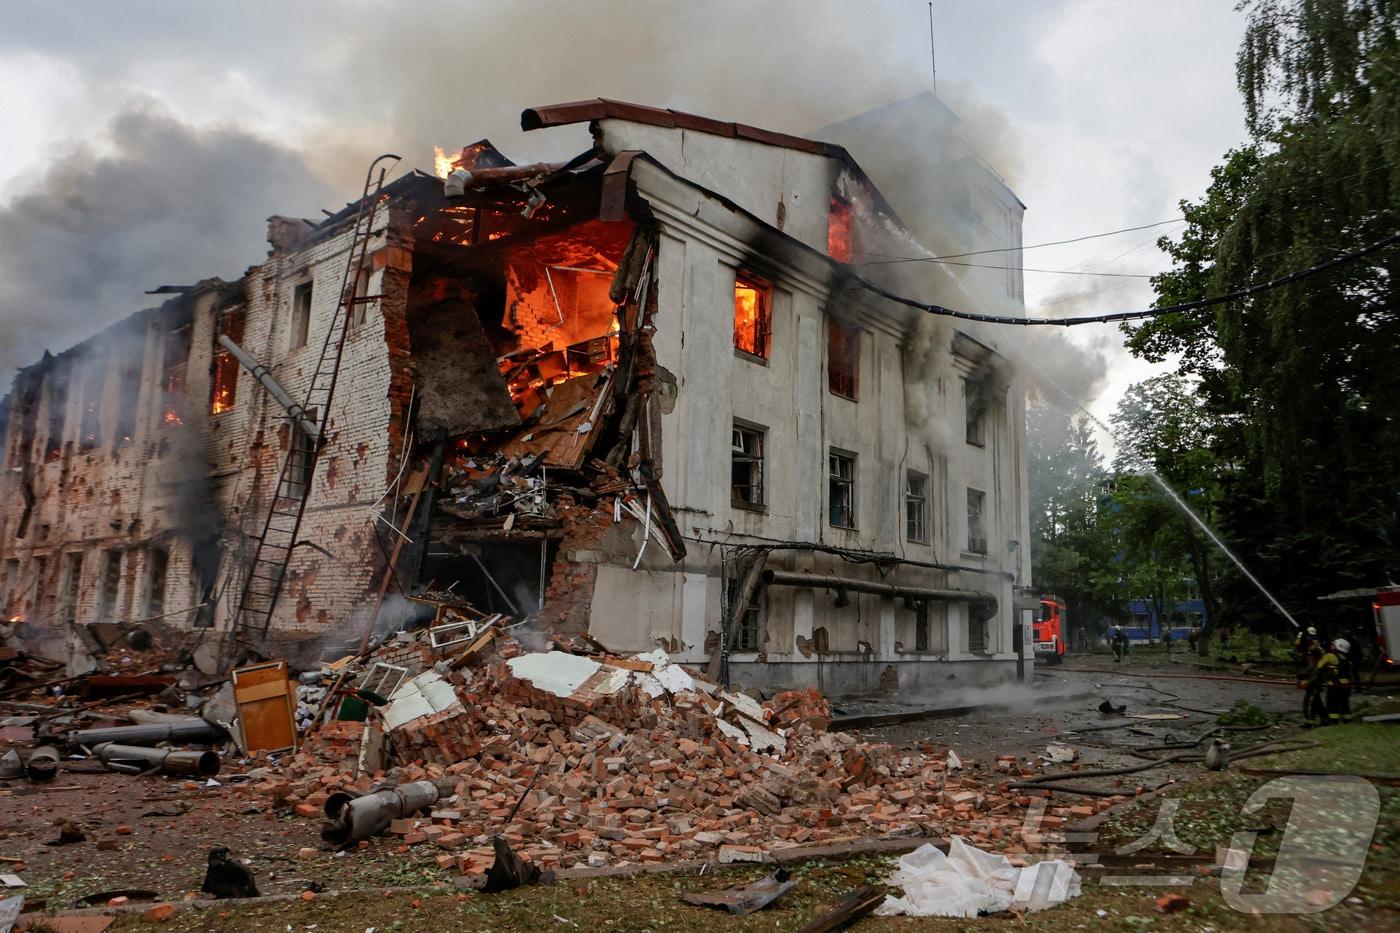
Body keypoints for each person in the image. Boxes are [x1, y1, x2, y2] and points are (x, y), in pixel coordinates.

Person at [1304, 642, 1339, 725]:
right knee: (1317, 701)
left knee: (1310, 701)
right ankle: (1324, 719)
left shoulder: (1323, 658)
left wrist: (1307, 679)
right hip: (1318, 682)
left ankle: (1311, 721)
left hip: (1316, 682)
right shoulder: (1323, 657)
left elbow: (1317, 670)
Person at [1328, 638, 1353, 720]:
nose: (1331, 647)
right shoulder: (1347, 660)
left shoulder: (1332, 657)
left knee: (1332, 703)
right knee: (1345, 704)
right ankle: (1347, 719)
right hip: (1346, 686)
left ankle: (1334, 720)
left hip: (1335, 685)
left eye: (1333, 645)